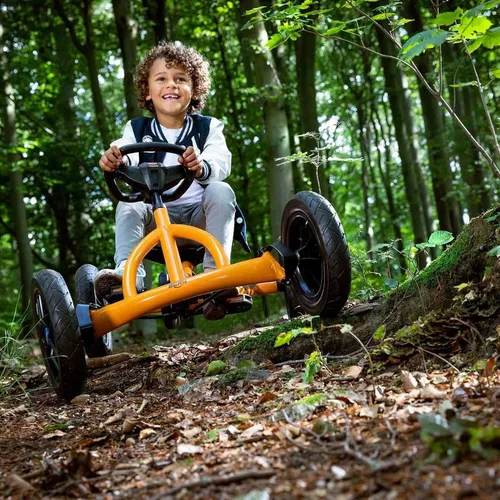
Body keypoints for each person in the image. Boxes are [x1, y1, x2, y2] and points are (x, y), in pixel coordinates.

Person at [94, 41, 250, 320]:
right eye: (161, 79)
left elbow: (221, 160)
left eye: (181, 79)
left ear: (195, 88)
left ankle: (216, 275)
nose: (171, 85)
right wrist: (116, 159)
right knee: (129, 205)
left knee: (221, 191)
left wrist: (203, 165)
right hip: (156, 222)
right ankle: (128, 276)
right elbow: (124, 149)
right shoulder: (137, 128)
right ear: (148, 91)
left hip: (198, 218)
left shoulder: (208, 127)